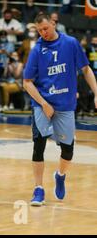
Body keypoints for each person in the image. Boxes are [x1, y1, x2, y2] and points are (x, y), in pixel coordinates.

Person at [23, 13, 97, 206]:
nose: (43, 33)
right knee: (38, 145)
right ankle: (38, 189)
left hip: (65, 105)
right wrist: (44, 103)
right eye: (39, 30)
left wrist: (96, 92)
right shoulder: (37, 49)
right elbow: (27, 83)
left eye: (45, 28)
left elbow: (86, 69)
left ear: (53, 24)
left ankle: (60, 175)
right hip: (42, 104)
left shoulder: (71, 43)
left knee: (68, 150)